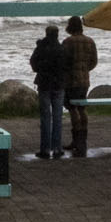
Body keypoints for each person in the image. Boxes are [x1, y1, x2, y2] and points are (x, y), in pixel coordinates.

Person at [29, 24, 70, 158]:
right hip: (58, 85)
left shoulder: (41, 48)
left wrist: (41, 69)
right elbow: (67, 65)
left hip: (44, 84)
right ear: (57, 34)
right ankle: (57, 148)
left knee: (46, 117)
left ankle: (45, 149)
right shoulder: (62, 49)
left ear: (46, 34)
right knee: (58, 117)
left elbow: (33, 63)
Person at [63, 15, 98, 158]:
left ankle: (76, 140)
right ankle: (82, 139)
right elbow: (94, 61)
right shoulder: (90, 41)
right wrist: (85, 70)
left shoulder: (68, 41)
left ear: (70, 26)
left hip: (71, 80)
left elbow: (63, 61)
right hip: (84, 80)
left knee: (72, 109)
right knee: (82, 109)